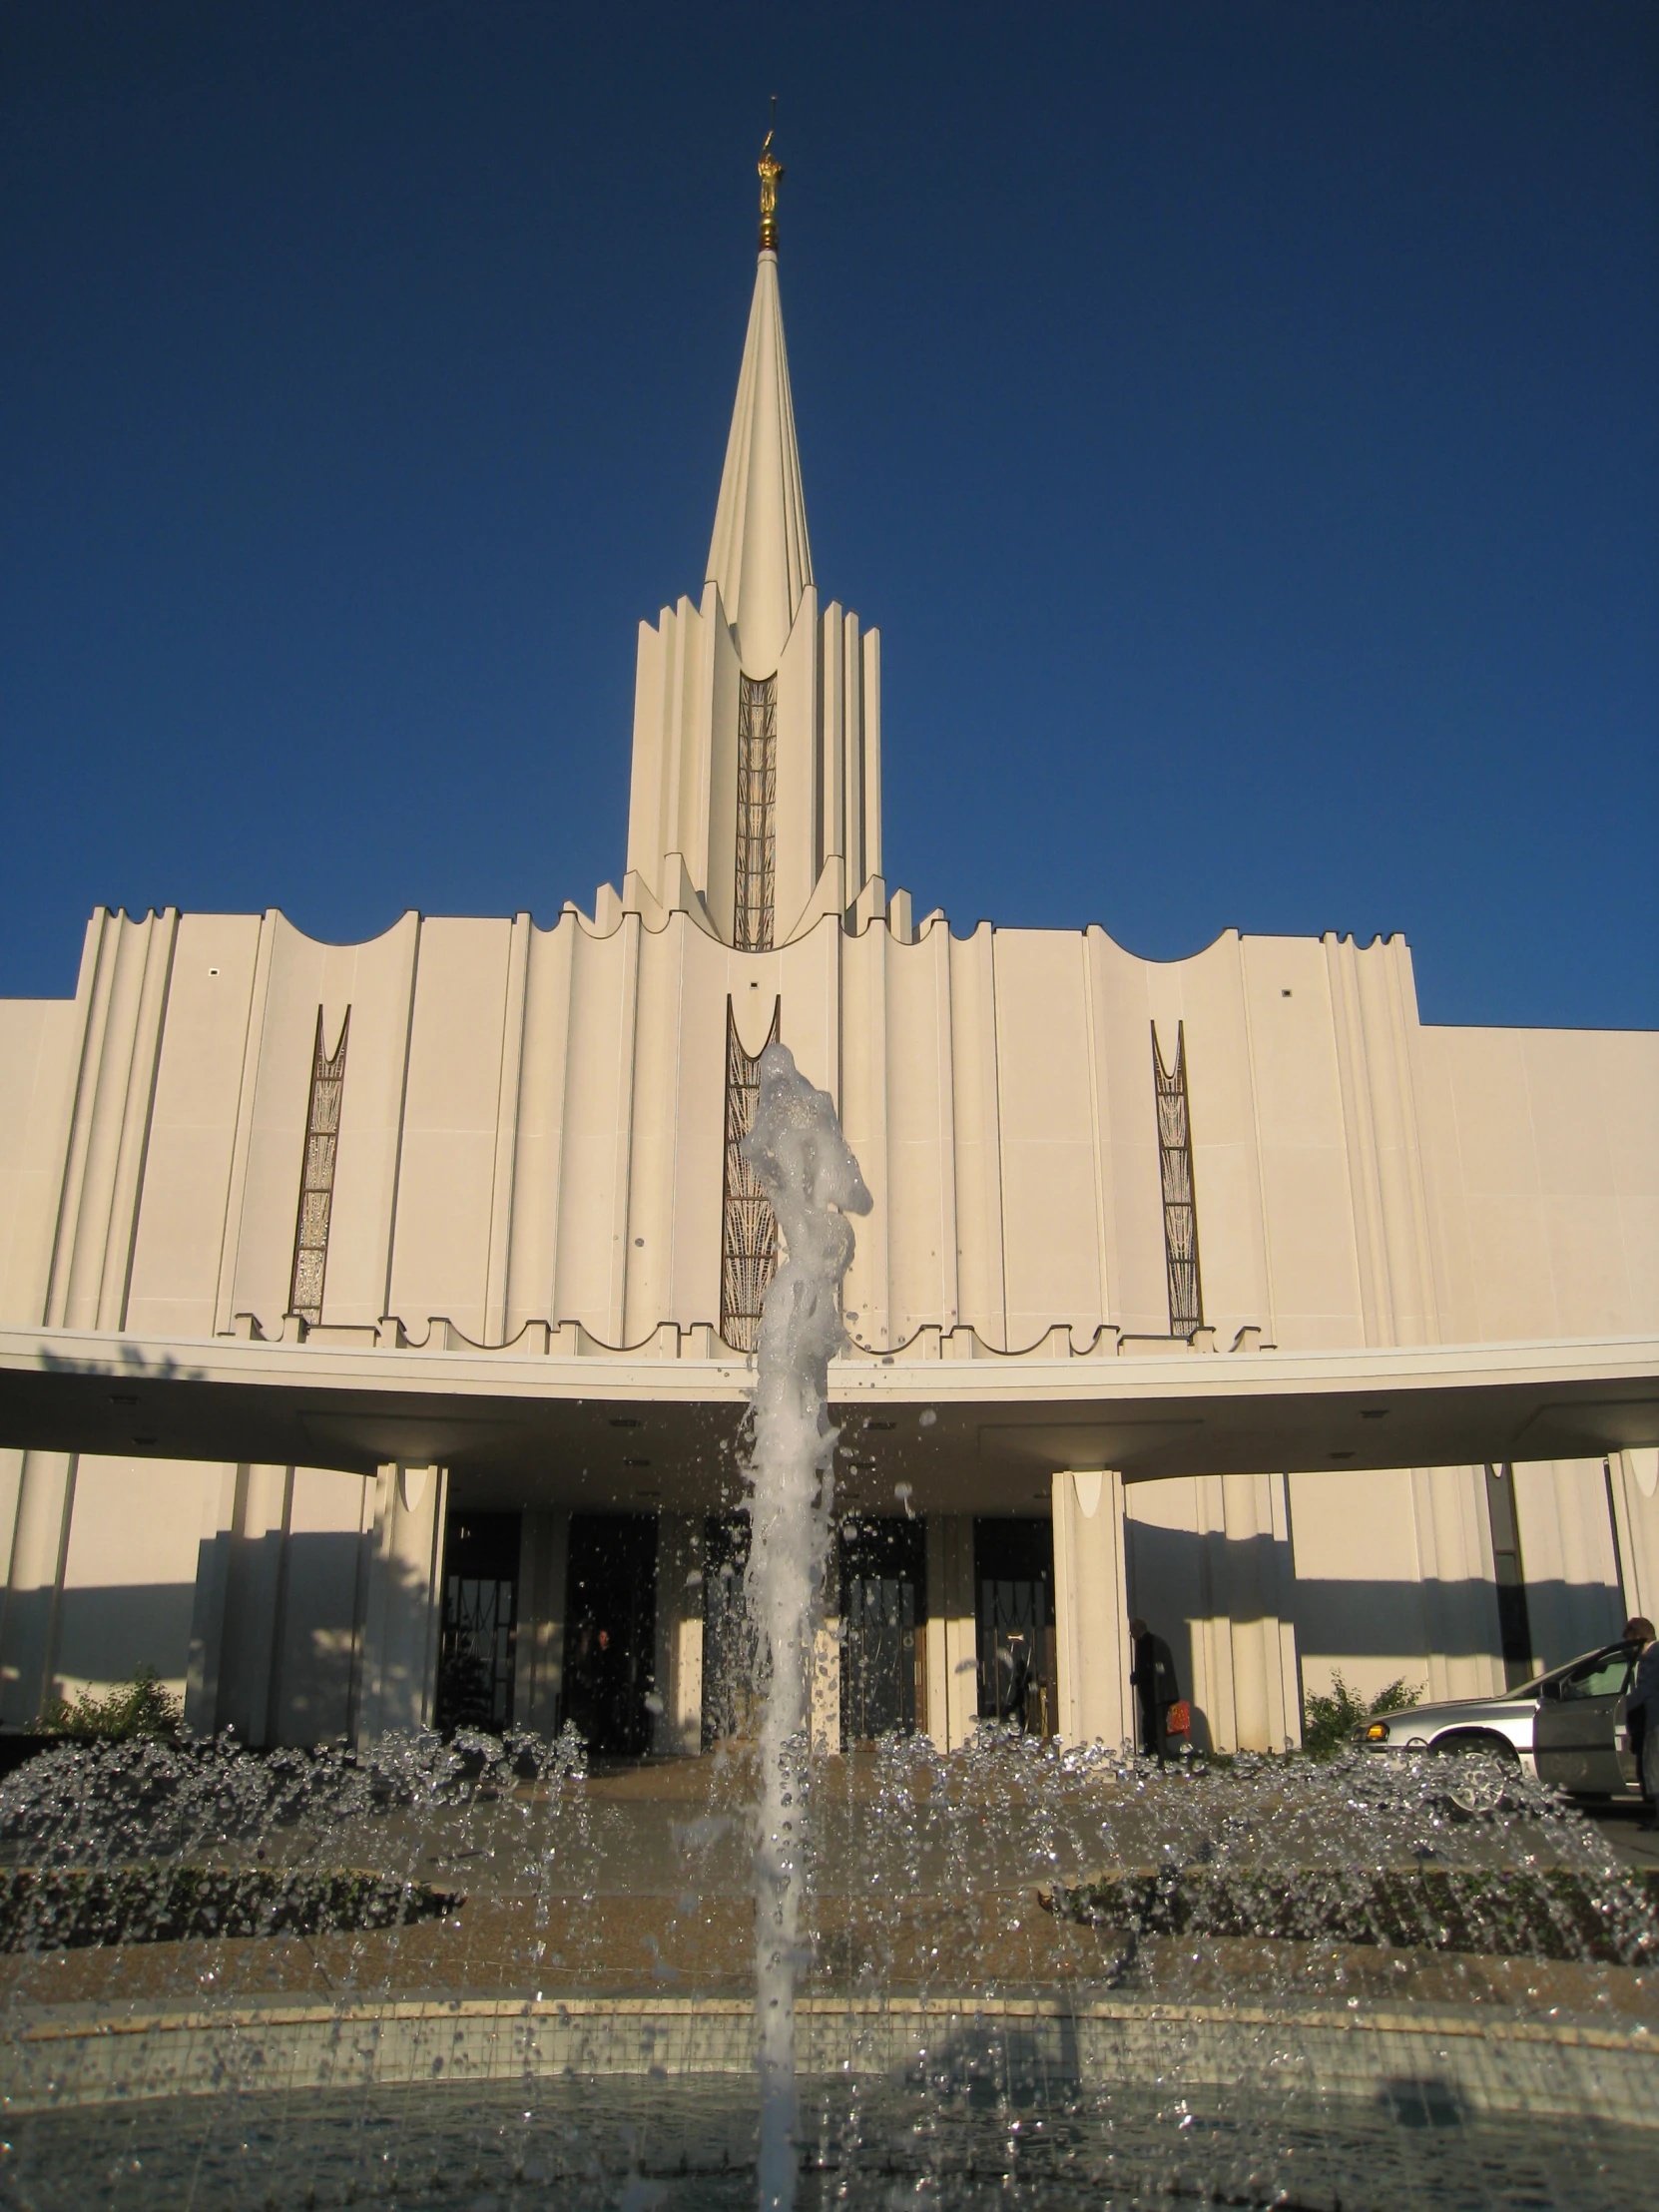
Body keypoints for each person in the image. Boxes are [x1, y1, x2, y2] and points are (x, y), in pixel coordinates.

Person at [1129, 1616, 1180, 1762]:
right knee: (1152, 1724)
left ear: (1137, 1630)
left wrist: (1135, 1678)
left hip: (1156, 1693)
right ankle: (1153, 1751)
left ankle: (1161, 1756)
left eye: (1131, 1631)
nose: (1131, 1635)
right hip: (1161, 1692)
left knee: (1157, 1725)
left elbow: (1146, 1668)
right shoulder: (1155, 1641)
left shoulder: (1145, 1643)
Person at [1625, 1616, 1659, 1831]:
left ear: (1638, 1639)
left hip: (1656, 1721)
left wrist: (1621, 1707)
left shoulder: (1651, 1658)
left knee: (1654, 1769)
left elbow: (1645, 1690)